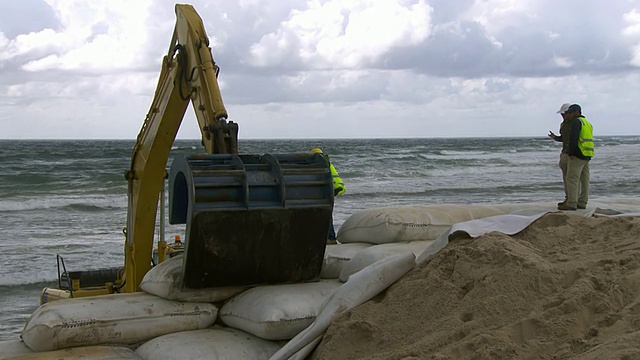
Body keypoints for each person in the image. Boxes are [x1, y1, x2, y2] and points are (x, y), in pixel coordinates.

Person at [557, 104, 594, 211]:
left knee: (571, 178)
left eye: (571, 112)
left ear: (577, 112)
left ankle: (571, 203)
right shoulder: (587, 123)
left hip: (578, 153)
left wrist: (571, 153)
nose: (570, 114)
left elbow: (574, 138)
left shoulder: (576, 122)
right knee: (584, 179)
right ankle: (582, 202)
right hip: (587, 153)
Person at [311, 147, 345, 242]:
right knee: (327, 214)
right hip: (334, 190)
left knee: (326, 215)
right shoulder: (327, 163)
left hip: (331, 190)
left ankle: (330, 237)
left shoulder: (320, 164)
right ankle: (330, 237)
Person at [548, 103, 572, 205]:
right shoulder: (563, 125)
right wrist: (555, 137)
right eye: (562, 114)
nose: (563, 116)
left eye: (564, 114)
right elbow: (563, 139)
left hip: (572, 154)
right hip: (565, 153)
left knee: (573, 179)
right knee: (567, 178)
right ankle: (568, 198)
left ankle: (572, 199)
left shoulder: (576, 124)